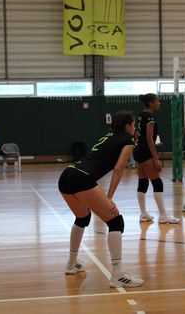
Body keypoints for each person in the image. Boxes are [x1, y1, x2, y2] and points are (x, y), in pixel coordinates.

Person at [58, 111, 144, 288]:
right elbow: (119, 168)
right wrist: (109, 197)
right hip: (82, 178)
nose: (134, 128)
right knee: (116, 222)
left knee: (83, 218)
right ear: (128, 126)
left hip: (67, 174)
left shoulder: (108, 135)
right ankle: (118, 274)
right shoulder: (128, 141)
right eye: (133, 125)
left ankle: (72, 263)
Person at [134, 94, 180, 224]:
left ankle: (143, 214)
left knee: (143, 182)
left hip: (138, 151)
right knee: (157, 182)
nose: (159, 103)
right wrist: (156, 159)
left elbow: (136, 135)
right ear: (151, 103)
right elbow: (149, 139)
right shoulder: (150, 117)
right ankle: (163, 215)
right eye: (157, 101)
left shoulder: (140, 115)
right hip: (145, 152)